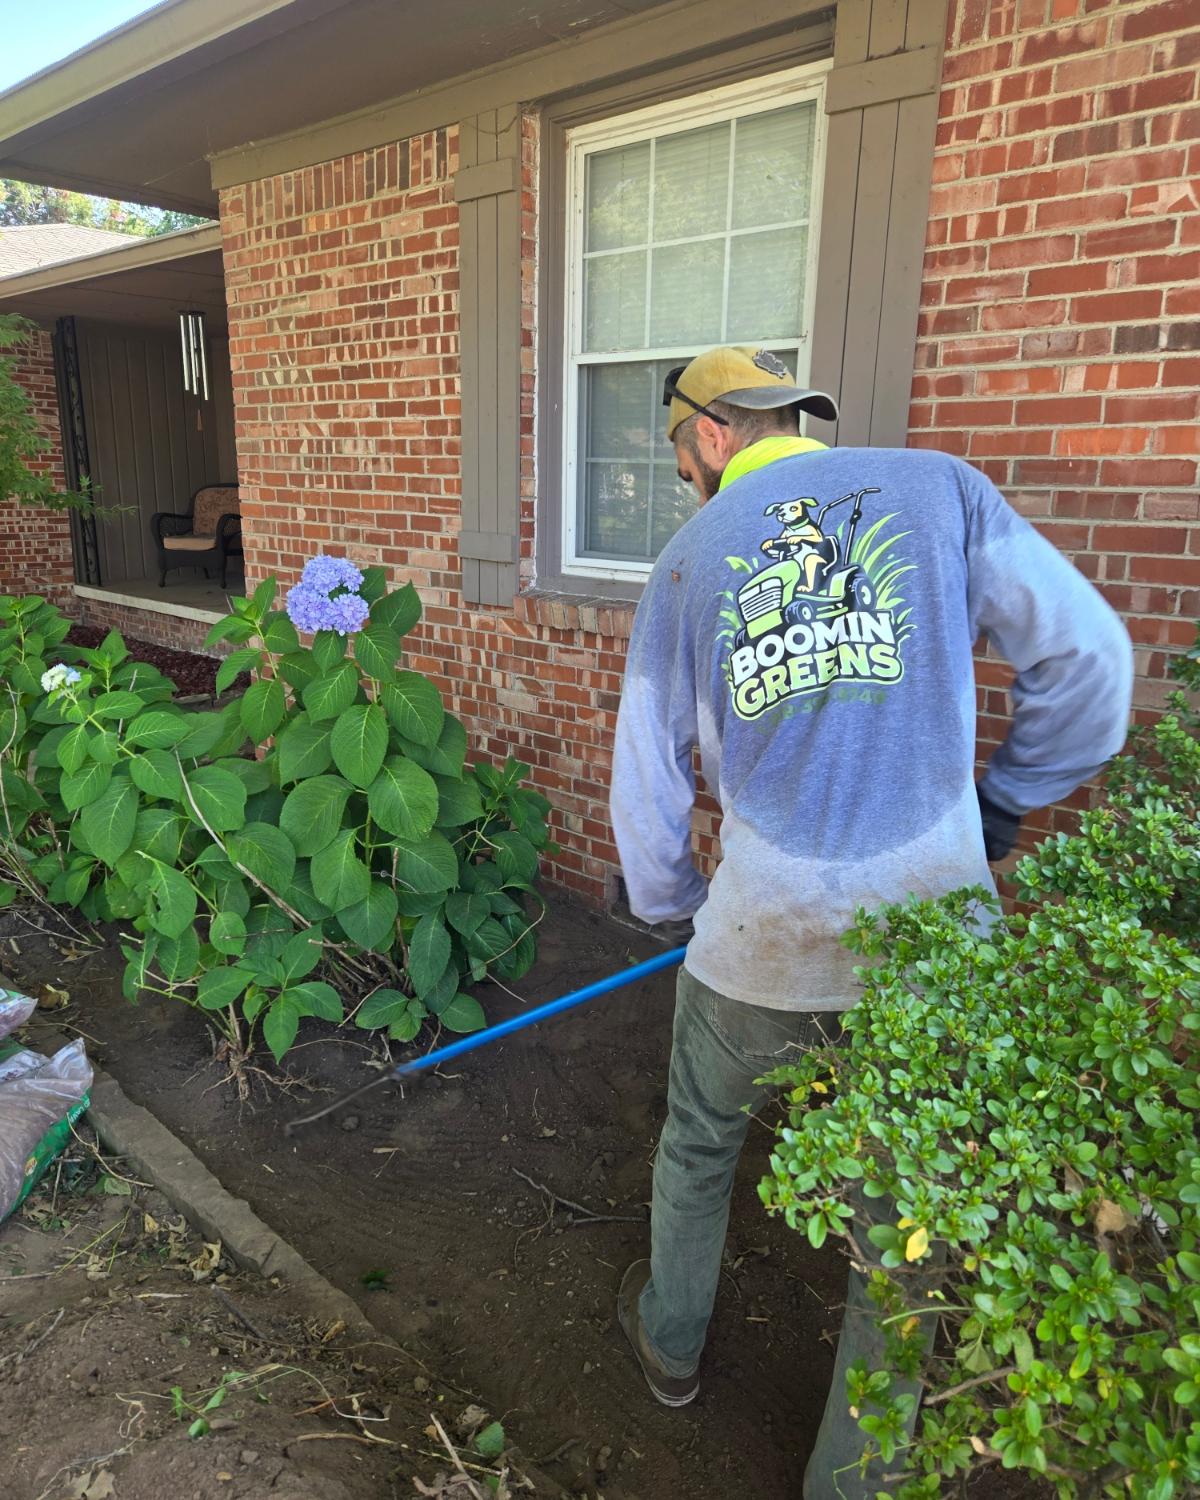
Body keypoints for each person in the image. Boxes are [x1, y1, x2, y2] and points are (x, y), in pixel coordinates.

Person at [609, 345, 1133, 1495]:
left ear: (708, 437)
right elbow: (1093, 660)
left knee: (699, 1144)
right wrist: (995, 809)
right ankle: (851, 1480)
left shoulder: (688, 565)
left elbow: (646, 792)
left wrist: (668, 908)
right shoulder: (942, 489)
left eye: (679, 456)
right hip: (932, 951)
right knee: (904, 1223)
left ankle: (669, 1350)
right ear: (799, 421)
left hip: (757, 945)